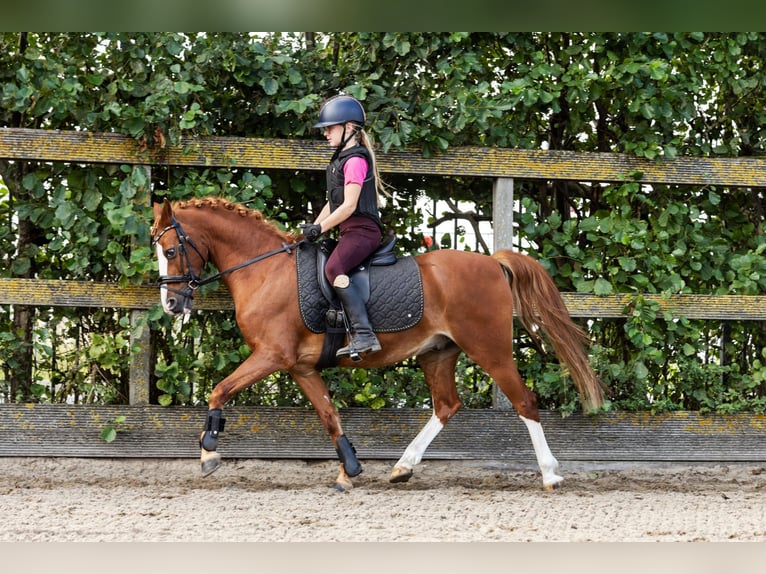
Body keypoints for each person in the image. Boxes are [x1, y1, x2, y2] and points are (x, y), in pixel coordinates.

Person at [300, 94, 386, 359]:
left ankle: (363, 334)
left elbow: (348, 206)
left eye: (330, 127)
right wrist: (312, 229)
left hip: (364, 231)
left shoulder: (355, 161)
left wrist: (322, 228)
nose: (325, 133)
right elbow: (332, 202)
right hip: (349, 230)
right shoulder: (340, 160)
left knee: (334, 267)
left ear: (349, 128)